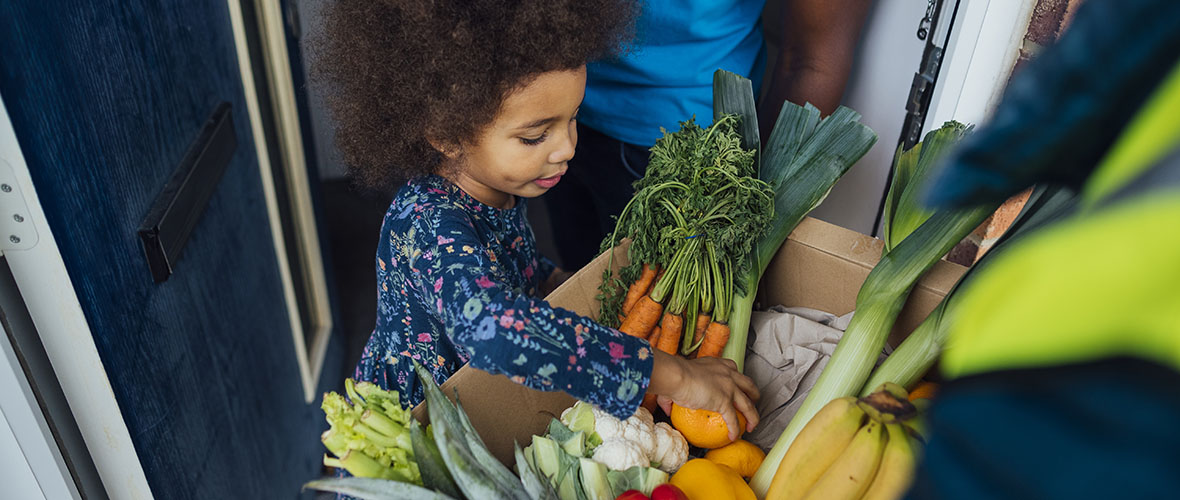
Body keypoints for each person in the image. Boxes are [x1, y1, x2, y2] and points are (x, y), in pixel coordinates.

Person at [312, 0, 759, 433]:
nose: (567, 148)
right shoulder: (426, 222)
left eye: (573, 118)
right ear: (446, 135)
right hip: (418, 435)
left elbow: (513, 270)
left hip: (486, 404)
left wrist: (566, 285)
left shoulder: (493, 190)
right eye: (534, 136)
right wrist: (676, 376)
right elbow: (494, 330)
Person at [545, 0, 873, 269]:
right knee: (580, 282)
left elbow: (814, 59)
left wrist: (755, 205)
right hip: (561, 104)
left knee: (646, 313)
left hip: (681, 150)